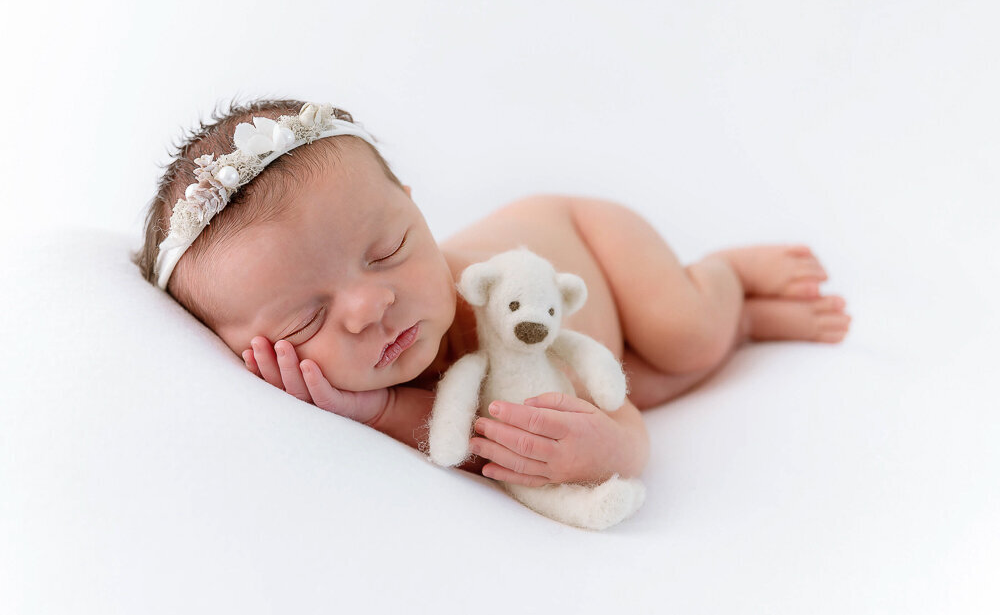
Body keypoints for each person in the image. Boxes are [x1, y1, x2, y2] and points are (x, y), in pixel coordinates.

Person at [133, 98, 851, 487]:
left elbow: (627, 427)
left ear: (415, 206)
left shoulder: (492, 312)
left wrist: (610, 449)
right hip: (603, 336)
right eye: (304, 319)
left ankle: (721, 280)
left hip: (592, 243)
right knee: (663, 379)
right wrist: (370, 409)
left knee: (681, 335)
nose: (367, 307)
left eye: (389, 250)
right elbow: (463, 440)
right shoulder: (356, 384)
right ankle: (750, 325)